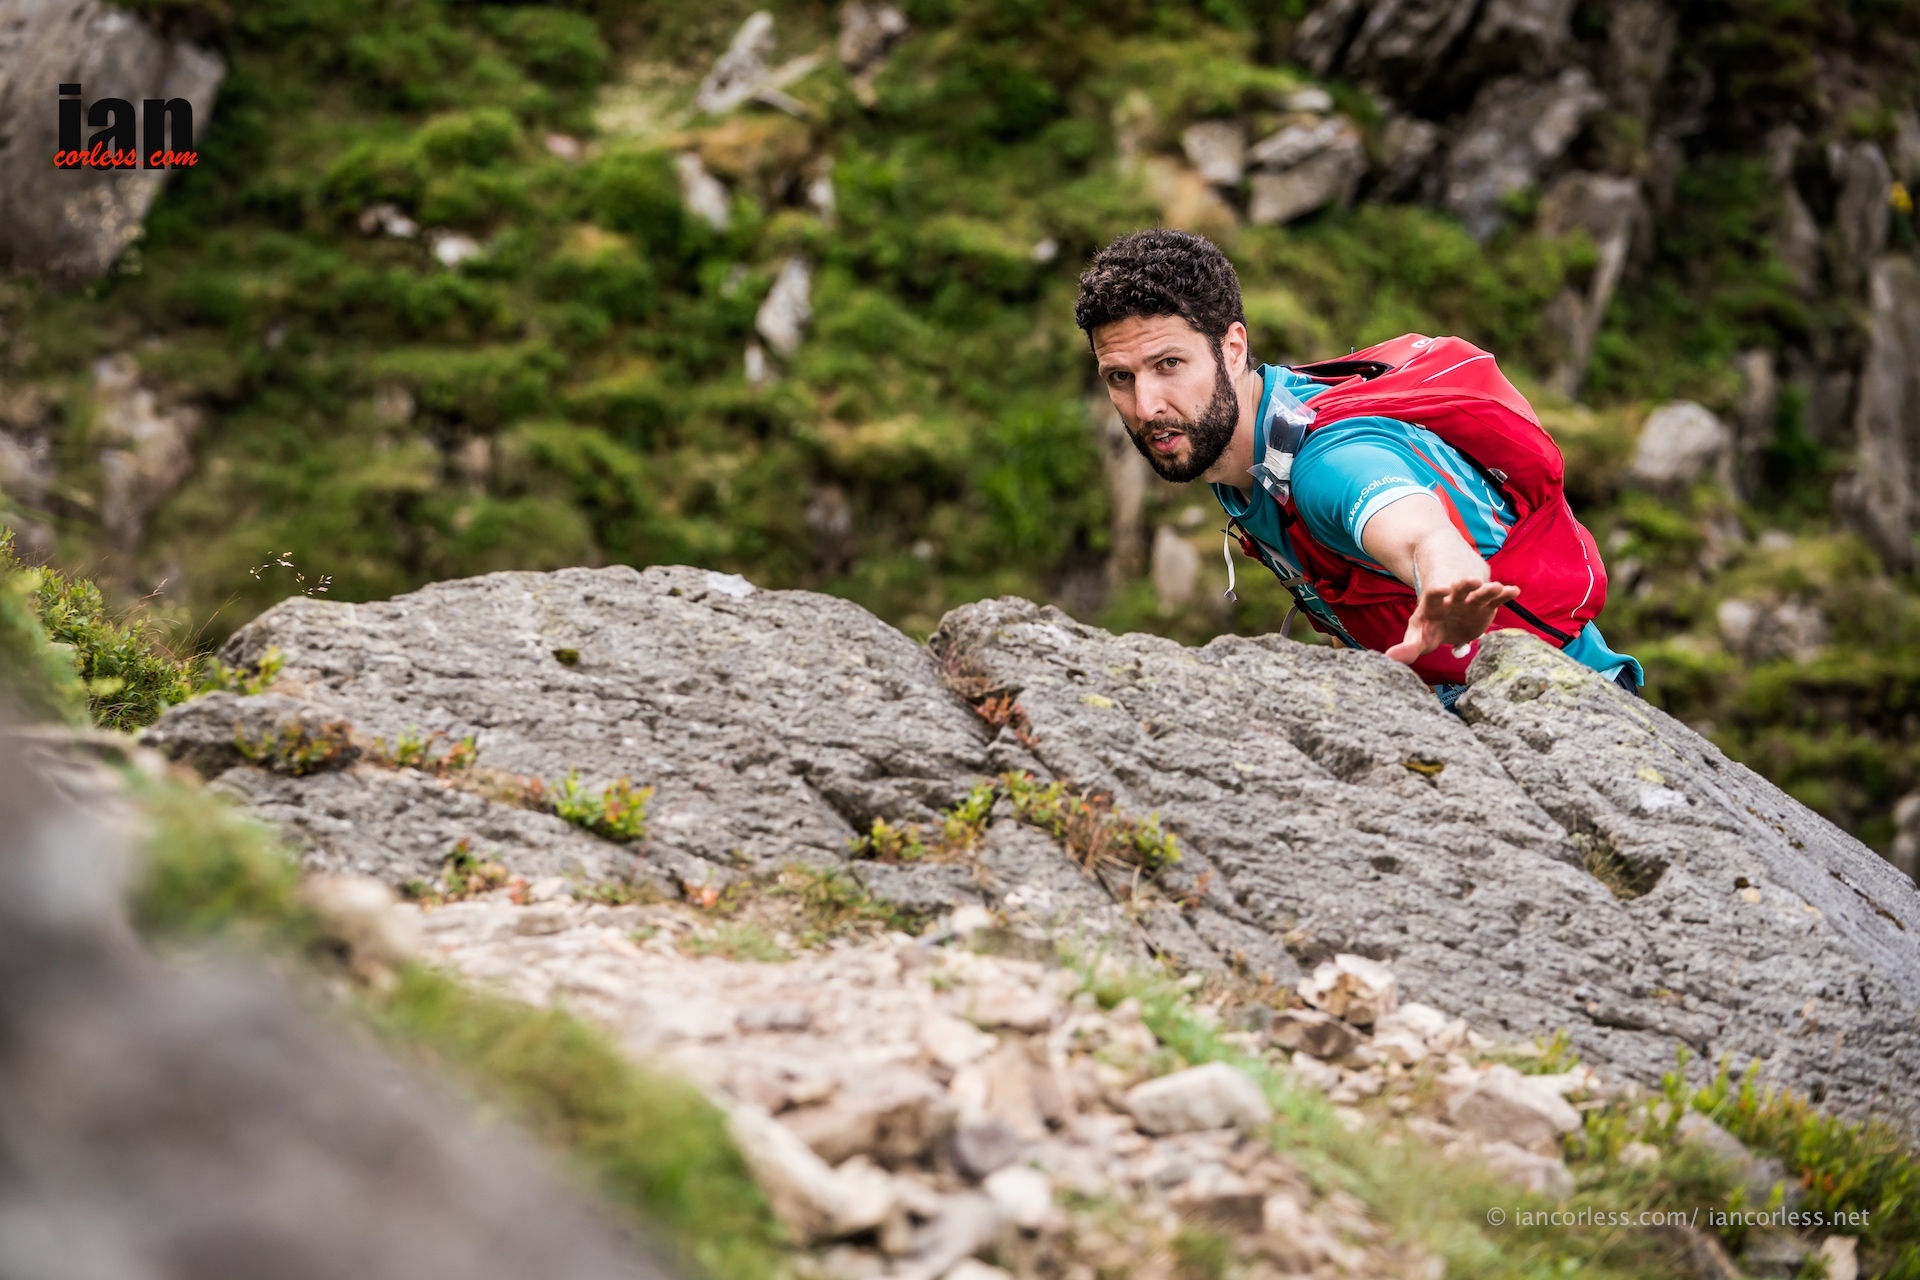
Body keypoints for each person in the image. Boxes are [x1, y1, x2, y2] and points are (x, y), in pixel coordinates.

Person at [1073, 228, 1641, 707]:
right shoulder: (1248, 440)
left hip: (1568, 707)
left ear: (1233, 349)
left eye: (1169, 364)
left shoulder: (1323, 461)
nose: (1145, 406)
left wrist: (1447, 579)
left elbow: (1414, 526)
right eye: (1120, 377)